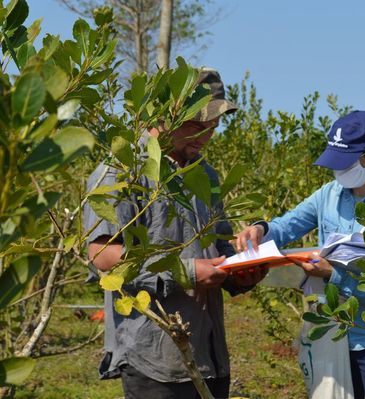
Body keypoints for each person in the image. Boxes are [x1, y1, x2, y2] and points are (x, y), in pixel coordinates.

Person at [84, 68, 267, 399]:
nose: (206, 135)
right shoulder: (122, 170)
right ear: (165, 116)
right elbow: (103, 254)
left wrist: (241, 273)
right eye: (196, 125)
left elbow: (217, 247)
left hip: (208, 352)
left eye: (213, 126)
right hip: (154, 355)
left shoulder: (205, 174)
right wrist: (185, 272)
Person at [234, 110, 365, 399]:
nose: (338, 171)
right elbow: (285, 226)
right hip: (333, 334)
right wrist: (260, 229)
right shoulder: (328, 195)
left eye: (346, 162)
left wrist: (334, 274)